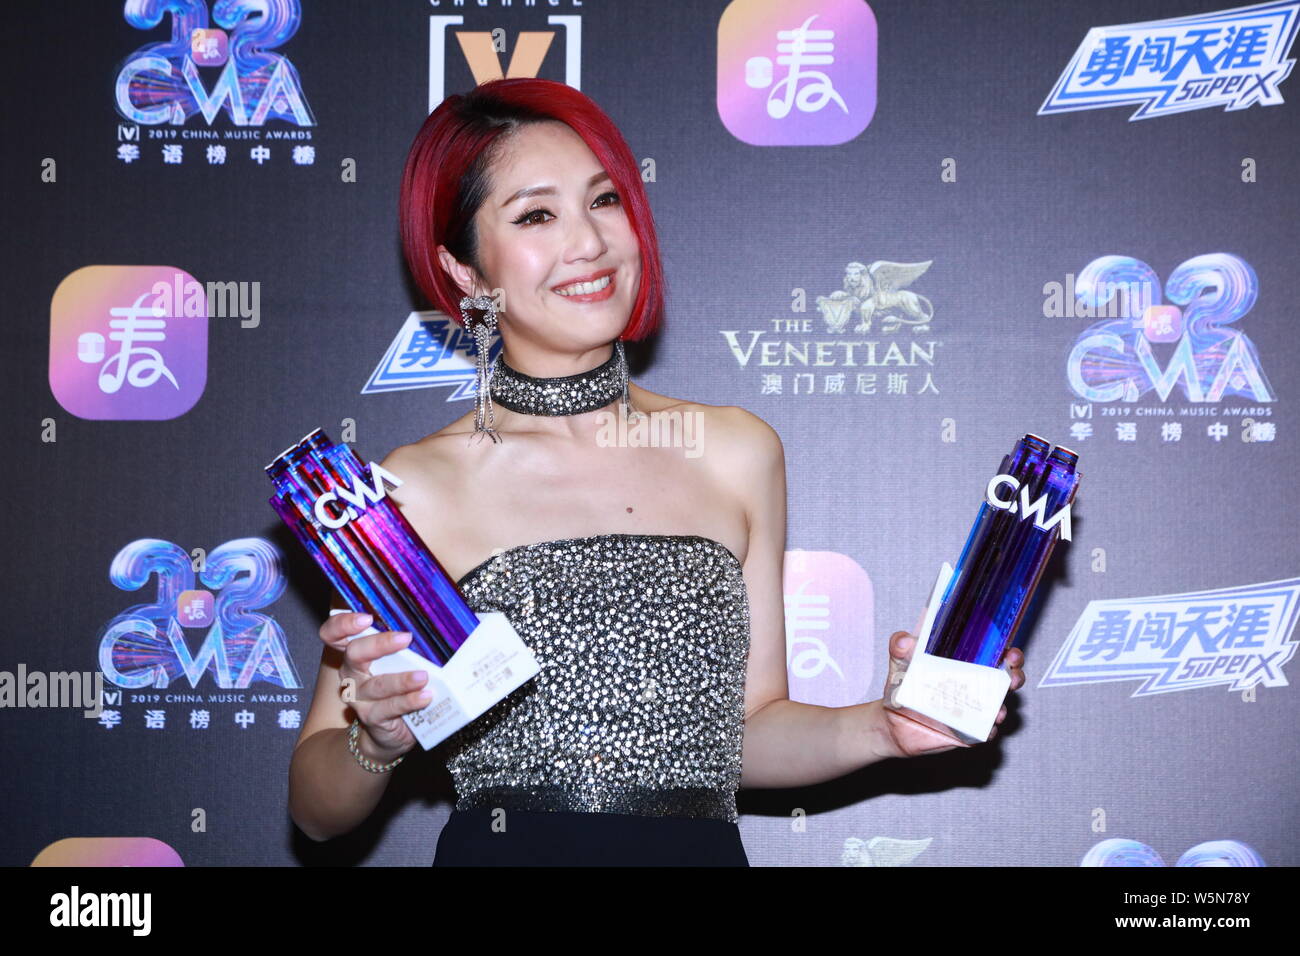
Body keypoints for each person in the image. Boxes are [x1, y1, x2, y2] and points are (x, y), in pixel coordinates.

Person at [286, 78, 1026, 866]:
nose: (590, 242)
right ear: (465, 272)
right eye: (537, 215)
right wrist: (377, 737)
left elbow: (745, 733)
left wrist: (883, 726)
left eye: (603, 201)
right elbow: (316, 810)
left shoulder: (739, 449)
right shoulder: (407, 491)